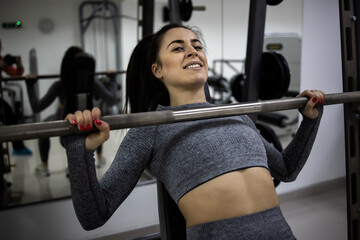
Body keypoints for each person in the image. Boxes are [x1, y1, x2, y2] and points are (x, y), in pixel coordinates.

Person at [62, 24, 325, 239]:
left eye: (197, 46)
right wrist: (80, 150)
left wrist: (310, 121)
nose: (193, 52)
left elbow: (287, 170)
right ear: (157, 70)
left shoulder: (237, 114)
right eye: (178, 48)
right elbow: (94, 216)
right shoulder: (150, 128)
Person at [25, 46, 118, 176]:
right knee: (96, 121)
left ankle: (44, 166)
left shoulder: (60, 85)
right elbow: (112, 98)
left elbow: (36, 107)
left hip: (65, 119)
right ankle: (101, 157)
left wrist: (30, 85)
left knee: (44, 128)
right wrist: (113, 78)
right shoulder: (92, 82)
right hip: (83, 120)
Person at [0, 39, 32, 155]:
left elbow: (17, 73)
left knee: (11, 118)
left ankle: (18, 148)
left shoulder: (1, 60)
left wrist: (18, 64)